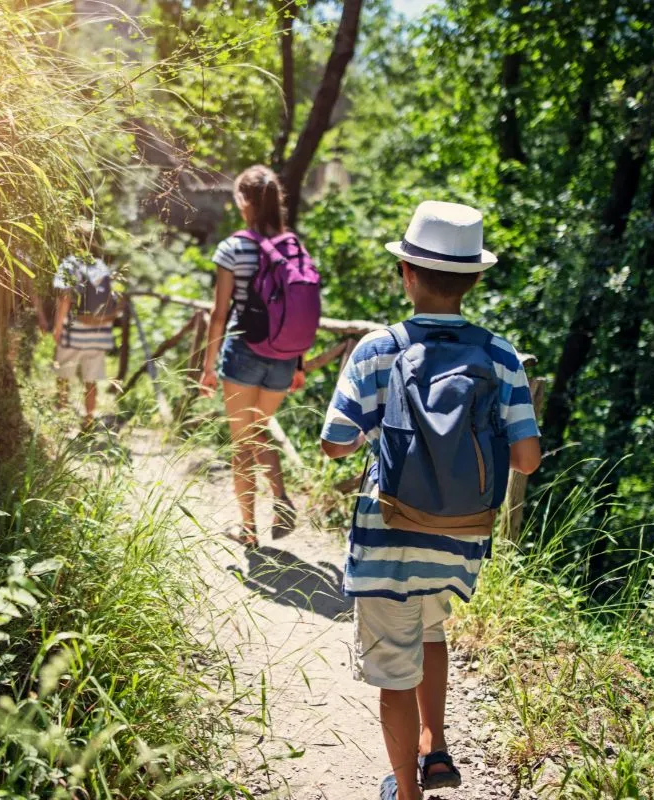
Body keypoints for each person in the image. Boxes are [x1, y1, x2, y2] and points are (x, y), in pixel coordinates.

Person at [318, 201, 541, 800]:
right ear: (474, 279)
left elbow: (336, 444)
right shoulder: (501, 356)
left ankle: (407, 793)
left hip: (390, 535)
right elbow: (527, 460)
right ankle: (434, 747)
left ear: (407, 274)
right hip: (460, 536)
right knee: (431, 631)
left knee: (394, 668)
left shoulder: (376, 348)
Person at [200, 165, 309, 547]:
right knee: (260, 430)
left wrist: (208, 367)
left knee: (241, 442)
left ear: (244, 202)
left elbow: (219, 314)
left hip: (244, 352)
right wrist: (298, 363)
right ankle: (280, 501)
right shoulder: (293, 246)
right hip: (282, 358)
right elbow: (300, 308)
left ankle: (247, 530)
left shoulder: (233, 247)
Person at [52, 242, 119, 429]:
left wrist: (58, 328)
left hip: (74, 333)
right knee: (91, 380)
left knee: (63, 375)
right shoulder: (100, 265)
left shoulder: (69, 264)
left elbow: (65, 298)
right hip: (98, 334)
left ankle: (62, 418)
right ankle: (89, 419)